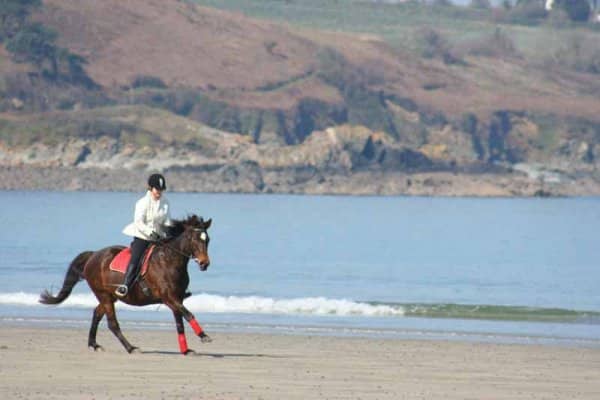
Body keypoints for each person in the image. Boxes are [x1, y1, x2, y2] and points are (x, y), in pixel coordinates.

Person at [115, 173, 173, 297]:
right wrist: (151, 234)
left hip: (159, 237)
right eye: (157, 189)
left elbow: (167, 220)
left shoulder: (166, 202)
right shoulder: (142, 202)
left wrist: (169, 232)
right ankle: (125, 284)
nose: (159, 192)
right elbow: (139, 223)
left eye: (161, 190)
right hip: (142, 236)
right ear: (151, 188)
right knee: (136, 258)